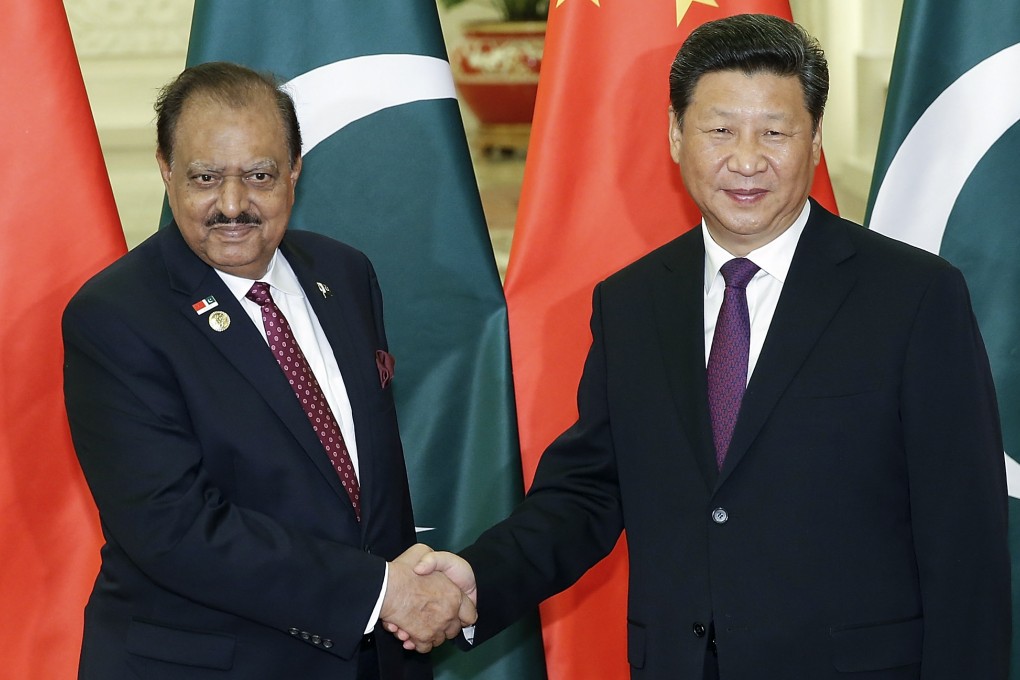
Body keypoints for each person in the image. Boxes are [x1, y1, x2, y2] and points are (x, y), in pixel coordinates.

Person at [397, 13, 1011, 679]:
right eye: (720, 130)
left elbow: (965, 542)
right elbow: (588, 492)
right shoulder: (632, 302)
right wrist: (473, 578)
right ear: (674, 135)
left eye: (775, 132)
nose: (747, 161)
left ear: (813, 142)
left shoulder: (914, 297)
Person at [63, 62, 472, 680]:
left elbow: (366, 484)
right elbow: (174, 529)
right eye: (205, 177)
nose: (233, 205)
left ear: (295, 170)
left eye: (259, 175)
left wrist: (406, 595)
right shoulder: (115, 317)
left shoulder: (345, 273)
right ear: (166, 169)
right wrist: (379, 593)